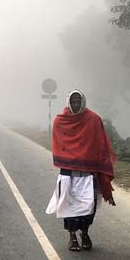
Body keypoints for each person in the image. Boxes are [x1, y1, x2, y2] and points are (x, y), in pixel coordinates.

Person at [46, 90, 117, 251]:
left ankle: (84, 232)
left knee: (88, 207)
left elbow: (100, 145)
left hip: (89, 174)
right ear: (68, 102)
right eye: (73, 102)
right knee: (68, 207)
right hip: (68, 174)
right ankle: (72, 236)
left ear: (83, 102)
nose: (76, 104)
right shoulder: (60, 121)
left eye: (78, 101)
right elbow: (59, 146)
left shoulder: (93, 120)